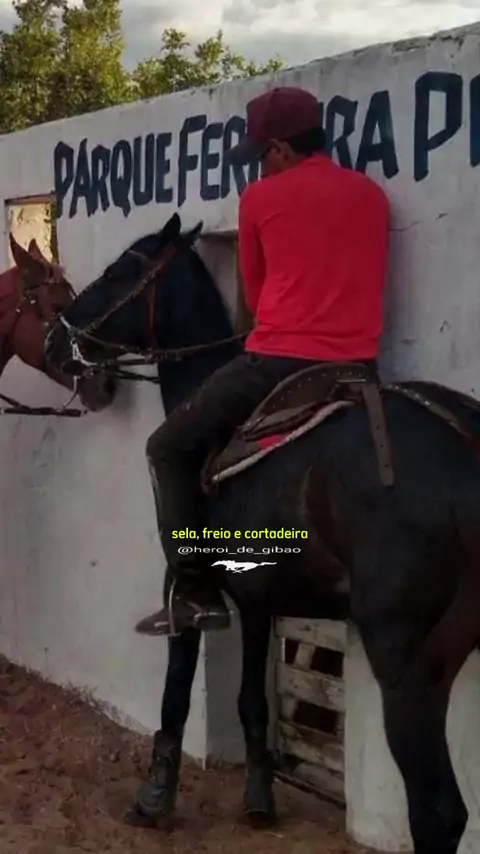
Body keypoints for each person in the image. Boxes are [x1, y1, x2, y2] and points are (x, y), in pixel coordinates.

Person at [135, 86, 390, 637]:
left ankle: (195, 591)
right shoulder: (371, 195)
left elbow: (252, 294)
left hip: (277, 363)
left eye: (260, 155)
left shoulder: (260, 198)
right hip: (358, 369)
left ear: (280, 149)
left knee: (166, 448)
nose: (259, 166)